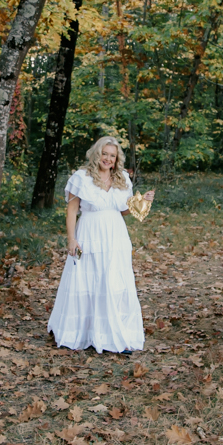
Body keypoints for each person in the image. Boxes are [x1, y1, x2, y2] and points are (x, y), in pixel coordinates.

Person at [47, 136, 153, 354]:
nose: (108, 158)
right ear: (97, 154)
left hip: (116, 235)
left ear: (116, 159)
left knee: (114, 281)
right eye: (104, 153)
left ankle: (114, 334)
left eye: (112, 155)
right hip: (90, 233)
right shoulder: (81, 177)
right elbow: (71, 210)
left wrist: (144, 202)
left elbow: (125, 210)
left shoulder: (123, 178)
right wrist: (71, 239)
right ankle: (83, 332)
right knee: (89, 279)